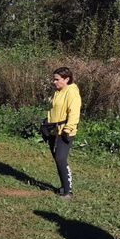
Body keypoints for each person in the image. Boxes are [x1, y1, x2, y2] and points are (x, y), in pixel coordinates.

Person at [45, 67, 81, 199]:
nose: (54, 82)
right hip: (54, 131)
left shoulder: (72, 92)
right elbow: (54, 110)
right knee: (57, 159)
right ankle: (63, 186)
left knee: (61, 159)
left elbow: (74, 112)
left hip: (65, 131)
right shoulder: (58, 92)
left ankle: (68, 191)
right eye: (54, 79)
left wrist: (68, 129)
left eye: (57, 79)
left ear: (67, 79)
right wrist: (46, 124)